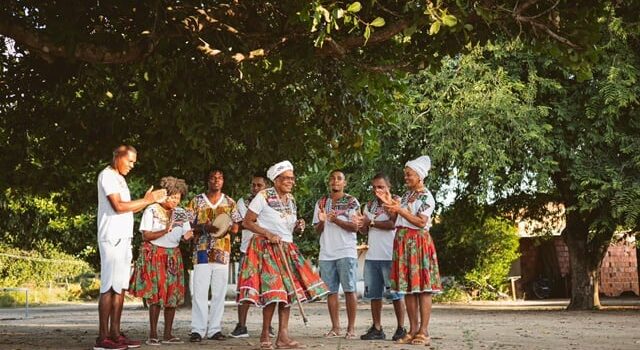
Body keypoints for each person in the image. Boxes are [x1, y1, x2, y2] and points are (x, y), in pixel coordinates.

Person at [238, 160, 329, 350]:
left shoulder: (291, 200)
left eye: (292, 178)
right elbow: (247, 222)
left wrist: (297, 226)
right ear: (276, 180)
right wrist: (268, 234)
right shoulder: (263, 196)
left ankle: (283, 337)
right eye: (286, 178)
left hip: (286, 247)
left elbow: (287, 226)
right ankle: (265, 334)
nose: (290, 182)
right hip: (266, 248)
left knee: (288, 292)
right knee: (274, 291)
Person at [95, 145, 167, 350]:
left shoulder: (120, 178)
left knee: (119, 287)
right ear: (117, 156)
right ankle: (102, 337)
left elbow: (130, 207)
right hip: (111, 238)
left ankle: (115, 334)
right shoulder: (107, 176)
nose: (132, 166)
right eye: (130, 161)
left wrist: (145, 201)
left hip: (124, 238)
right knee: (108, 287)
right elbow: (118, 206)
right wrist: (147, 200)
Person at [375, 156, 441, 346]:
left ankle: (424, 331)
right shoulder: (405, 196)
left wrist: (400, 210)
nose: (406, 177)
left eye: (409, 174)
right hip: (403, 241)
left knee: (423, 288)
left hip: (418, 241)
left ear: (419, 176)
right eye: (405, 174)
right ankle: (412, 330)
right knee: (408, 289)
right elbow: (396, 219)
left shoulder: (426, 196)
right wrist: (389, 204)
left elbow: (421, 221)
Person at [129, 176, 193, 346]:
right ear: (164, 195)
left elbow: (186, 234)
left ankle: (168, 334)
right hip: (155, 255)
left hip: (173, 255)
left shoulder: (181, 212)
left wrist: (190, 235)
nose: (175, 200)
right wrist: (165, 230)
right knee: (156, 296)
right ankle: (152, 334)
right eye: (172, 197)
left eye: (178, 198)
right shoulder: (152, 210)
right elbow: (146, 235)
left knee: (172, 295)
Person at [187, 168, 242, 342]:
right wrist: (204, 227)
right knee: (200, 292)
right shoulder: (196, 201)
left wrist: (228, 228)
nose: (216, 181)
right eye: (212, 178)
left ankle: (214, 329)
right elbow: (187, 225)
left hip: (222, 252)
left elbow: (235, 227)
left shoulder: (230, 202)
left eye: (219, 178)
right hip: (201, 252)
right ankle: (198, 329)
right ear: (208, 181)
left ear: (223, 181)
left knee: (219, 293)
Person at [312, 169, 361, 339]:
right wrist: (323, 221)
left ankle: (351, 328)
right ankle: (335, 328)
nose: (335, 181)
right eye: (332, 178)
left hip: (346, 251)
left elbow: (356, 227)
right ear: (329, 182)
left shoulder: (351, 201)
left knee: (349, 290)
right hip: (326, 252)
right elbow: (316, 230)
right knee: (331, 292)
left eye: (339, 178)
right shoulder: (321, 202)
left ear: (344, 183)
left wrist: (336, 220)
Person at [359, 173, 407, 341]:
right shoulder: (369, 205)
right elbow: (365, 229)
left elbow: (393, 223)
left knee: (395, 294)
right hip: (372, 255)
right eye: (374, 187)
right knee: (374, 294)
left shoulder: (396, 201)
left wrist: (371, 223)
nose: (377, 190)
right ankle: (377, 327)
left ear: (389, 186)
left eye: (381, 187)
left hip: (390, 254)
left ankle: (401, 328)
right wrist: (361, 224)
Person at [230, 173, 275, 339]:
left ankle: (267, 326)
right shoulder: (244, 202)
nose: (255, 188)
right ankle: (241, 326)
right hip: (248, 249)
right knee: (245, 287)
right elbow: (248, 222)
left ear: (267, 187)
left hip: (269, 249)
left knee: (269, 287)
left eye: (259, 185)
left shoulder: (274, 202)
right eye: (253, 185)